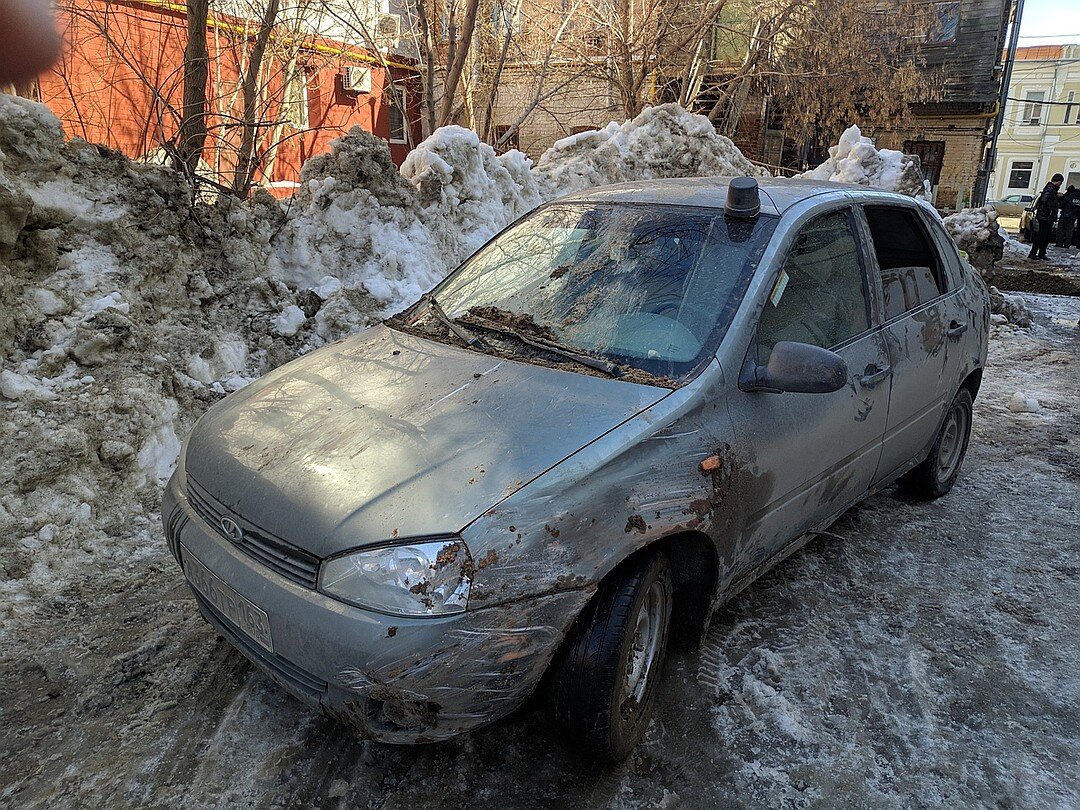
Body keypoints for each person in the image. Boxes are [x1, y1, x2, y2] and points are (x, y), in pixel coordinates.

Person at [1028, 173, 1063, 260]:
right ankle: (1035, 253)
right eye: (1060, 182)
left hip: (1046, 216)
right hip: (1045, 217)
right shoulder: (1050, 189)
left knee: (1045, 236)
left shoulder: (1051, 189)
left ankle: (1041, 253)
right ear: (1058, 181)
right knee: (1042, 236)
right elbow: (1045, 201)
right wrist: (1051, 210)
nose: (1060, 184)